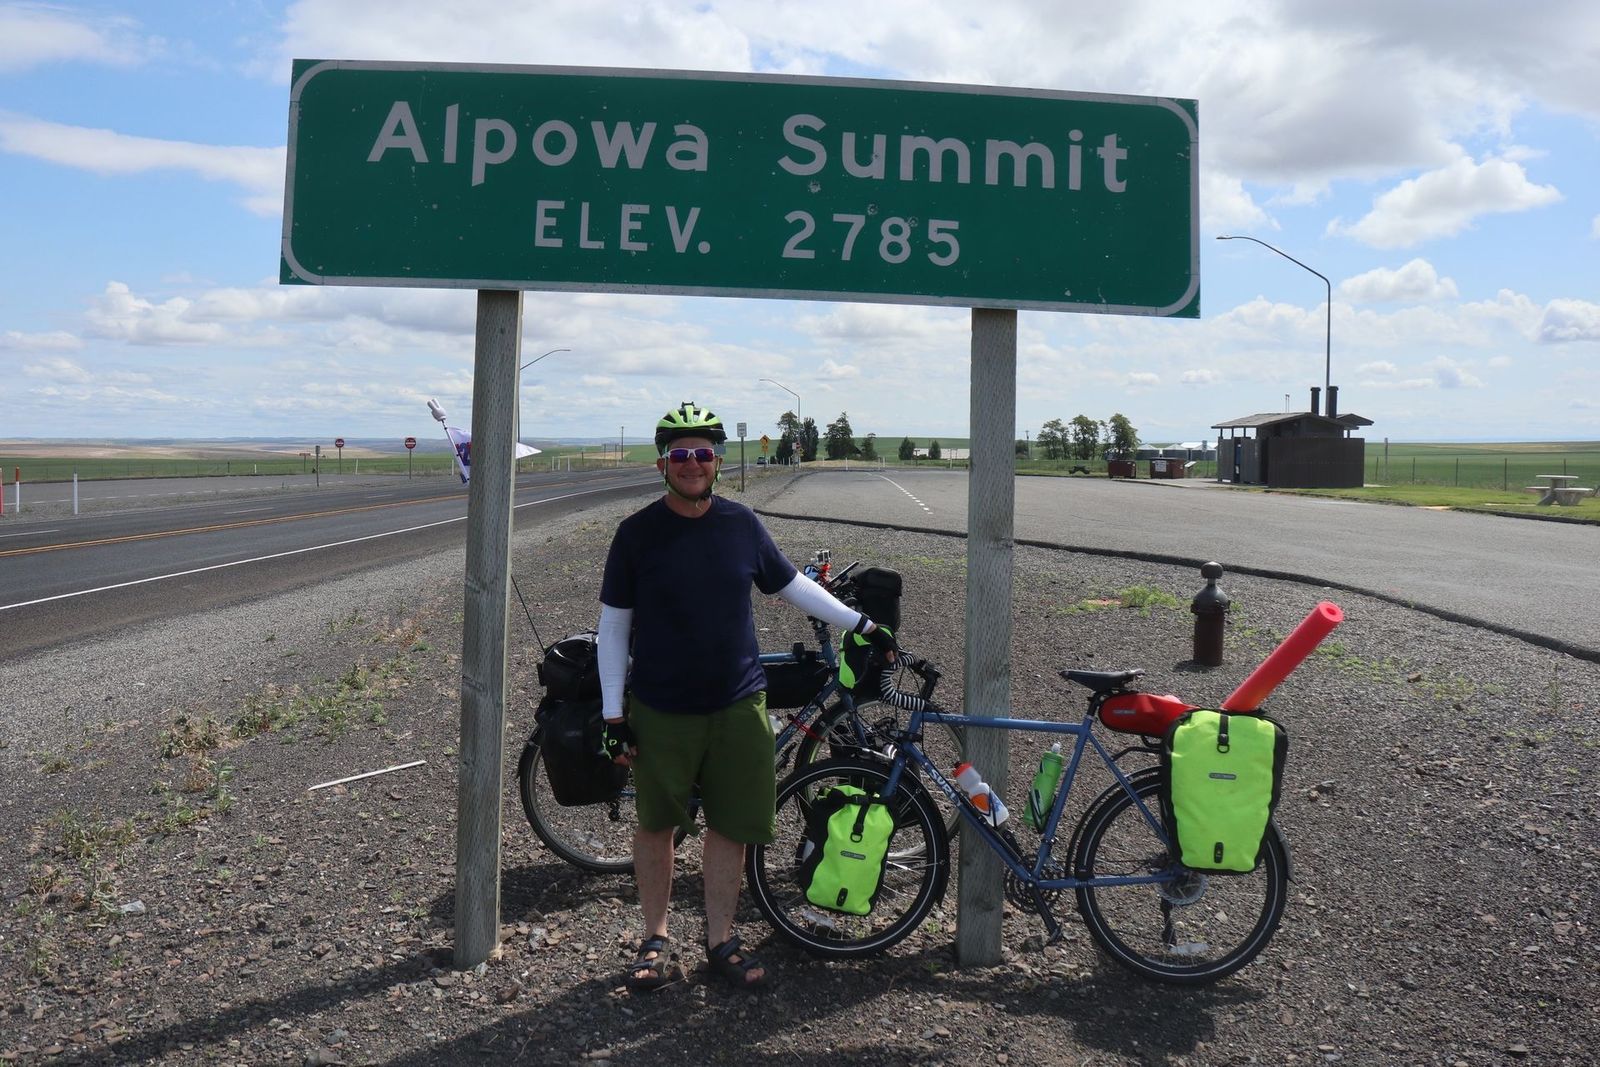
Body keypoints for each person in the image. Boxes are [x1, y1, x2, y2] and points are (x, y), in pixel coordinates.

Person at [594, 401, 895, 992]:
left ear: (717, 462)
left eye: (703, 453)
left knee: (730, 826)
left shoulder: (741, 524)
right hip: (661, 707)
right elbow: (614, 627)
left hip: (737, 704)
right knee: (656, 826)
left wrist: (862, 624)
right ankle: (656, 939)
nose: (692, 463)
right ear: (662, 464)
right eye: (680, 454)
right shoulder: (636, 534)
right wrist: (612, 715)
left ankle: (720, 940)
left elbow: (793, 586)